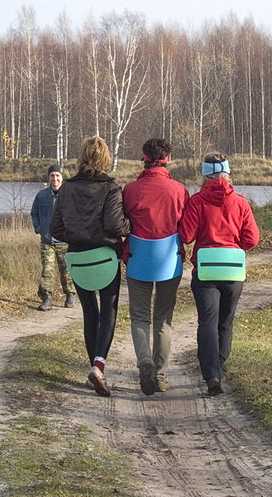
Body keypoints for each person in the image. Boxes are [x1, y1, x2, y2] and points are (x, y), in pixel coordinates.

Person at [50, 137, 130, 397]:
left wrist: (76, 235)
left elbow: (55, 228)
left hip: (78, 258)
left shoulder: (66, 188)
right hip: (105, 257)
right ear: (105, 158)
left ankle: (93, 368)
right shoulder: (111, 188)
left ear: (81, 157)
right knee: (108, 311)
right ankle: (98, 367)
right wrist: (129, 226)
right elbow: (116, 225)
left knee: (89, 313)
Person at [179, 152, 260, 396]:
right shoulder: (241, 202)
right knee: (226, 321)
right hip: (233, 271)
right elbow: (252, 239)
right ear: (228, 173)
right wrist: (233, 246)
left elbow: (186, 236)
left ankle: (211, 374)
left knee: (207, 321)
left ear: (204, 174)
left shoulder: (197, 201)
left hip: (205, 272)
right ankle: (221, 366)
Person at [122, 138, 189, 396]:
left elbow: (122, 224)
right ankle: (159, 375)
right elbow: (186, 230)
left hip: (138, 259)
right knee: (163, 319)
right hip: (169, 261)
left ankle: (144, 359)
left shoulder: (130, 190)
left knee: (139, 316)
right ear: (167, 160)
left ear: (144, 159)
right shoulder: (180, 190)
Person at [30, 164, 76, 311]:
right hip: (47, 240)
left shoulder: (69, 195)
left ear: (62, 178)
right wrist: (39, 228)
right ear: (48, 177)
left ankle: (70, 294)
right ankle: (46, 298)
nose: (54, 178)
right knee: (47, 271)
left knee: (66, 270)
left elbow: (76, 215)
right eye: (52, 175)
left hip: (64, 241)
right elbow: (34, 213)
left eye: (57, 175)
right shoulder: (41, 195)